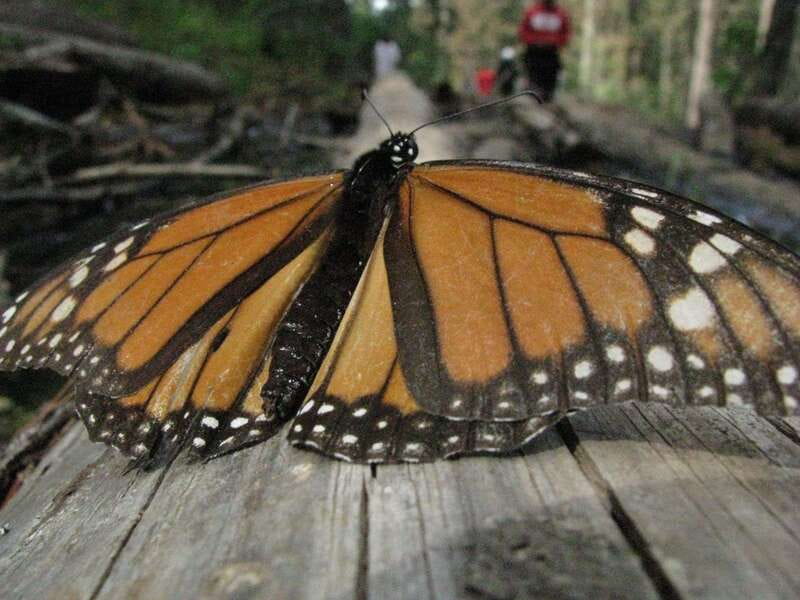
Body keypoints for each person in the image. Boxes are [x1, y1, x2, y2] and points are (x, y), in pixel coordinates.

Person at [518, 0, 571, 102]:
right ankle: (532, 92)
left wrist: (553, 42)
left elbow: (566, 33)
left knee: (551, 72)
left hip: (551, 52)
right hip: (533, 51)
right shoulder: (532, 11)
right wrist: (534, 41)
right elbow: (523, 30)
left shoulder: (561, 14)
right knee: (532, 69)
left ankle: (548, 95)